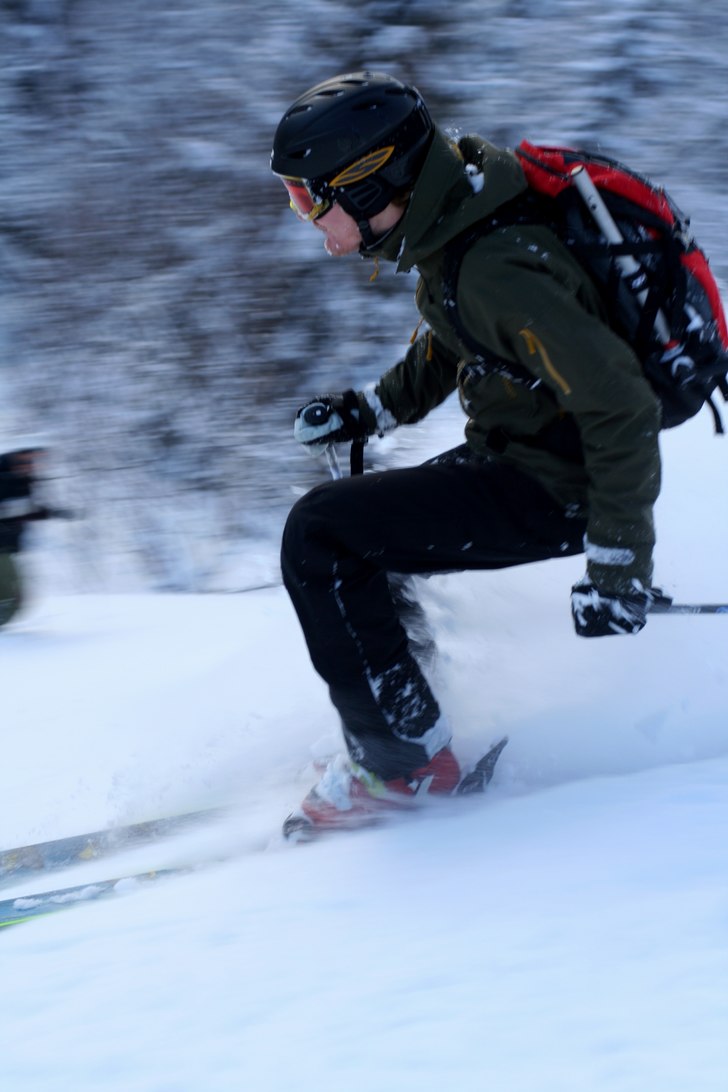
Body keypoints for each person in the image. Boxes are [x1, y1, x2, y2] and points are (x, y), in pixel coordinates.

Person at [271, 71, 660, 831]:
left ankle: (403, 763)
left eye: (307, 197)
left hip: (554, 486)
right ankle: (398, 732)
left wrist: (618, 563)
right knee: (358, 536)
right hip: (517, 458)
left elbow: (619, 403)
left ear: (365, 182)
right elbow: (453, 345)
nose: (310, 222)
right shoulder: (460, 225)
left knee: (320, 534)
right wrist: (368, 409)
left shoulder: (493, 265)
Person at [0, 447, 54, 626]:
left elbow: (26, 511)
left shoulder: (24, 481)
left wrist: (52, 512)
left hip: (9, 545)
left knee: (18, 599)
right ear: (14, 457)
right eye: (25, 461)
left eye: (32, 461)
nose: (30, 465)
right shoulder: (4, 479)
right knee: (8, 597)